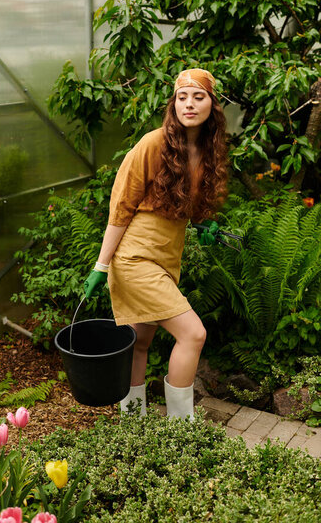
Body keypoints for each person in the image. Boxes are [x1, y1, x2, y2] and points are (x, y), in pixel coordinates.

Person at [84, 68, 228, 420]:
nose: (189, 105)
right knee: (194, 334)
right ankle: (181, 428)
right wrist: (101, 266)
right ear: (173, 104)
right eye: (182, 97)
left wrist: (203, 223)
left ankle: (133, 424)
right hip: (135, 258)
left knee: (138, 343)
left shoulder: (206, 150)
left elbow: (182, 203)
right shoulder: (154, 143)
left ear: (212, 104)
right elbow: (121, 208)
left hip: (167, 256)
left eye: (198, 96)